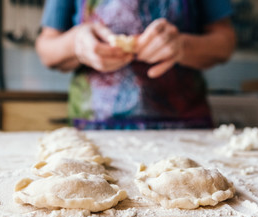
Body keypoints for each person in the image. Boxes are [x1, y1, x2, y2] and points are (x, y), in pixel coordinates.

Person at [36, 0, 236, 130]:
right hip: (94, 127)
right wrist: (76, 43)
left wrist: (182, 46)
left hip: (185, 128)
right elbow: (46, 48)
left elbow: (225, 42)